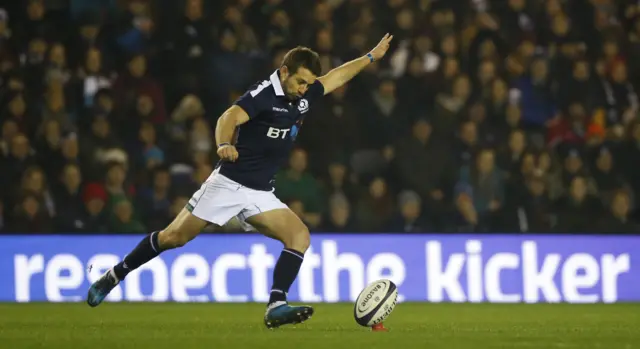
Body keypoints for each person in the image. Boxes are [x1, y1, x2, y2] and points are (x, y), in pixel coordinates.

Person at [86, 34, 394, 328]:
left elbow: (335, 78)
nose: (304, 89)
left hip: (260, 191)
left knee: (299, 236)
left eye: (308, 83)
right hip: (229, 183)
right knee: (173, 238)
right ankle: (114, 275)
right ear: (284, 71)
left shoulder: (302, 92)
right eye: (300, 81)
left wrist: (370, 57)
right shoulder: (263, 94)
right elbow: (228, 118)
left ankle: (276, 305)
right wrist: (223, 144)